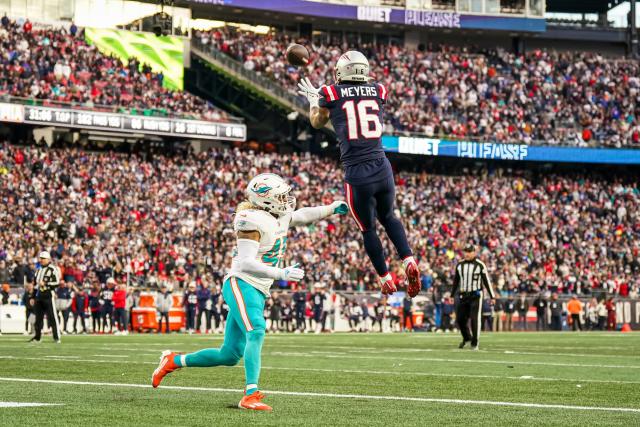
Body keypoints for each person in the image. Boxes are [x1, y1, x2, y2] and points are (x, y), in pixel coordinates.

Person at [151, 173, 348, 411]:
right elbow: (245, 263)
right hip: (242, 282)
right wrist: (281, 274)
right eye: (280, 196)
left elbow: (301, 215)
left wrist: (331, 208)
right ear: (265, 200)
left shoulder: (277, 216)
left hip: (258, 288)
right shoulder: (251, 219)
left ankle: (174, 360)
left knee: (230, 354)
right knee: (256, 330)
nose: (286, 199)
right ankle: (251, 394)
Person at [298, 52, 421, 298]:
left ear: (341, 71)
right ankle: (408, 259)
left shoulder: (331, 93)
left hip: (357, 173)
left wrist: (314, 101)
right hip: (382, 166)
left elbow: (317, 122)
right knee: (389, 216)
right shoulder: (379, 90)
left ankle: (385, 278)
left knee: (368, 229)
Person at [451, 244, 496, 350]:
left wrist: (492, 296)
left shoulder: (480, 265)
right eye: (465, 251)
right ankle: (467, 338)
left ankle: (475, 342)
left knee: (475, 319)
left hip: (476, 295)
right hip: (463, 295)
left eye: (469, 251)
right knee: (460, 318)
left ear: (474, 252)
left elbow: (486, 281)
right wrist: (452, 294)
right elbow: (456, 281)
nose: (466, 253)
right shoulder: (460, 265)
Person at [31, 251, 62, 343]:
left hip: (48, 295)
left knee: (52, 317)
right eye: (41, 258)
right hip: (39, 296)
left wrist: (46, 283)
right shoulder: (38, 270)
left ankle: (56, 337)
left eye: (43, 258)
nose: (42, 260)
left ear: (48, 259)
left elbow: (57, 283)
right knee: (38, 319)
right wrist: (33, 296)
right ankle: (37, 337)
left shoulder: (53, 269)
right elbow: (35, 285)